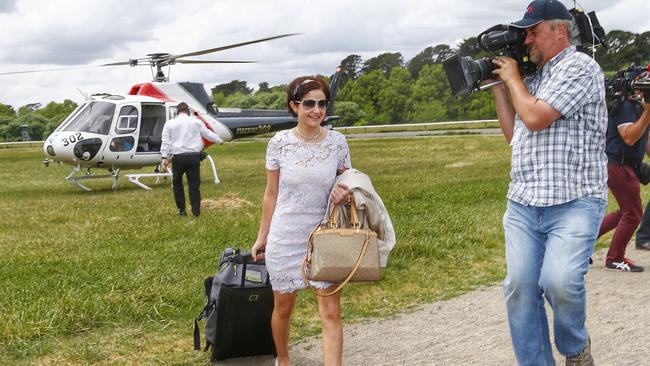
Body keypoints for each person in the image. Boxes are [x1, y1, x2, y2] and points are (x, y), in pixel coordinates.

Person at [489, 0, 608, 364]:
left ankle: (575, 348)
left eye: (533, 32)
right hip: (525, 201)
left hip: (574, 201)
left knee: (560, 282)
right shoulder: (533, 78)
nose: (527, 41)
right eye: (525, 33)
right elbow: (516, 134)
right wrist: (498, 85)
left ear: (560, 30)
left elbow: (537, 117)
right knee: (520, 289)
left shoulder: (580, 67)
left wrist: (513, 80)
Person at [250, 76, 351, 366]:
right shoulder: (279, 143)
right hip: (286, 235)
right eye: (309, 103)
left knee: (331, 310)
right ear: (294, 106)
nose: (317, 110)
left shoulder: (337, 143)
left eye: (322, 103)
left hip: (326, 233)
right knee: (283, 307)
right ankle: (283, 360)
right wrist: (262, 237)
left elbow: (349, 183)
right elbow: (271, 195)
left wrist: (345, 193)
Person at [598, 79, 650, 272]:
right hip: (618, 165)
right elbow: (629, 137)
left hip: (625, 165)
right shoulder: (625, 106)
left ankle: (582, 246)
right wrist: (647, 113)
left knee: (624, 212)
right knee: (634, 213)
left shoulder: (638, 107)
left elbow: (645, 139)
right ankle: (615, 258)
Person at [160, 102, 222, 217]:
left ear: (177, 112)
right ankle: (196, 211)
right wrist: (219, 140)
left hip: (178, 157)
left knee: (177, 183)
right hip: (193, 157)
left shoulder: (169, 123)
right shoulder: (197, 122)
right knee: (194, 184)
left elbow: (165, 142)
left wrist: (164, 157)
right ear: (188, 111)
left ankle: (182, 210)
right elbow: (207, 133)